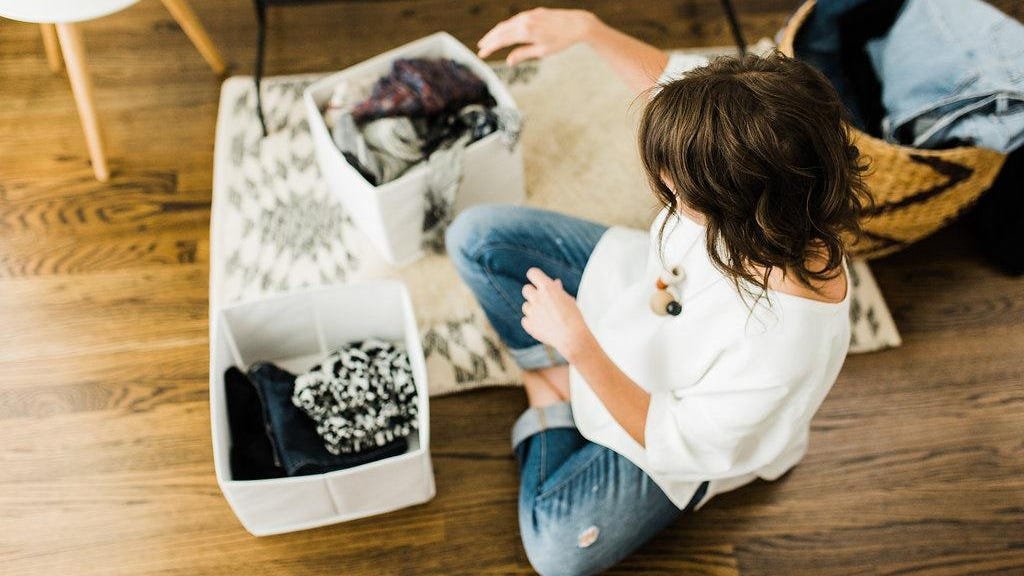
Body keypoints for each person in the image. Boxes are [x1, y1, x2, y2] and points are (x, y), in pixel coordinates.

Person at [446, 8, 870, 576]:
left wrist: (578, 347)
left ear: (730, 204)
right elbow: (668, 86)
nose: (665, 187)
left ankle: (548, 392)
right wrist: (589, 30)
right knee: (475, 237)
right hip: (645, 293)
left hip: (677, 436)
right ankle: (558, 378)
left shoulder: (782, 342)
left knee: (557, 552)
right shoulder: (773, 156)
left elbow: (677, 438)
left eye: (676, 187)